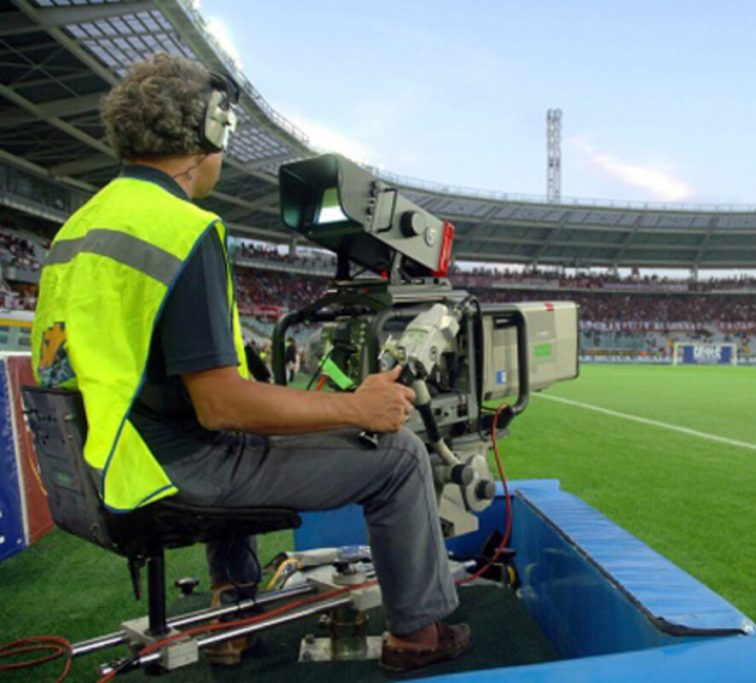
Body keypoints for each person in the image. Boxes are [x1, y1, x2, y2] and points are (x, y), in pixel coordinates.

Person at [30, 53, 471, 674]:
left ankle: (232, 614)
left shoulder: (79, 227)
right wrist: (356, 406)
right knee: (397, 457)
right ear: (208, 133)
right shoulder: (182, 229)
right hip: (170, 471)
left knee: (233, 436)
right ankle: (418, 636)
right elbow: (222, 405)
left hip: (98, 466)